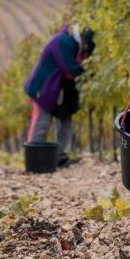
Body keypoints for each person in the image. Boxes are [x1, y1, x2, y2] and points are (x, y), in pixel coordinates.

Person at [24, 23, 95, 167]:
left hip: (58, 89)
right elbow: (70, 67)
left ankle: (59, 157)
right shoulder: (63, 41)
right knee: (42, 122)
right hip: (43, 87)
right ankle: (34, 162)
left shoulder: (73, 44)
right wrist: (89, 70)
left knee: (65, 122)